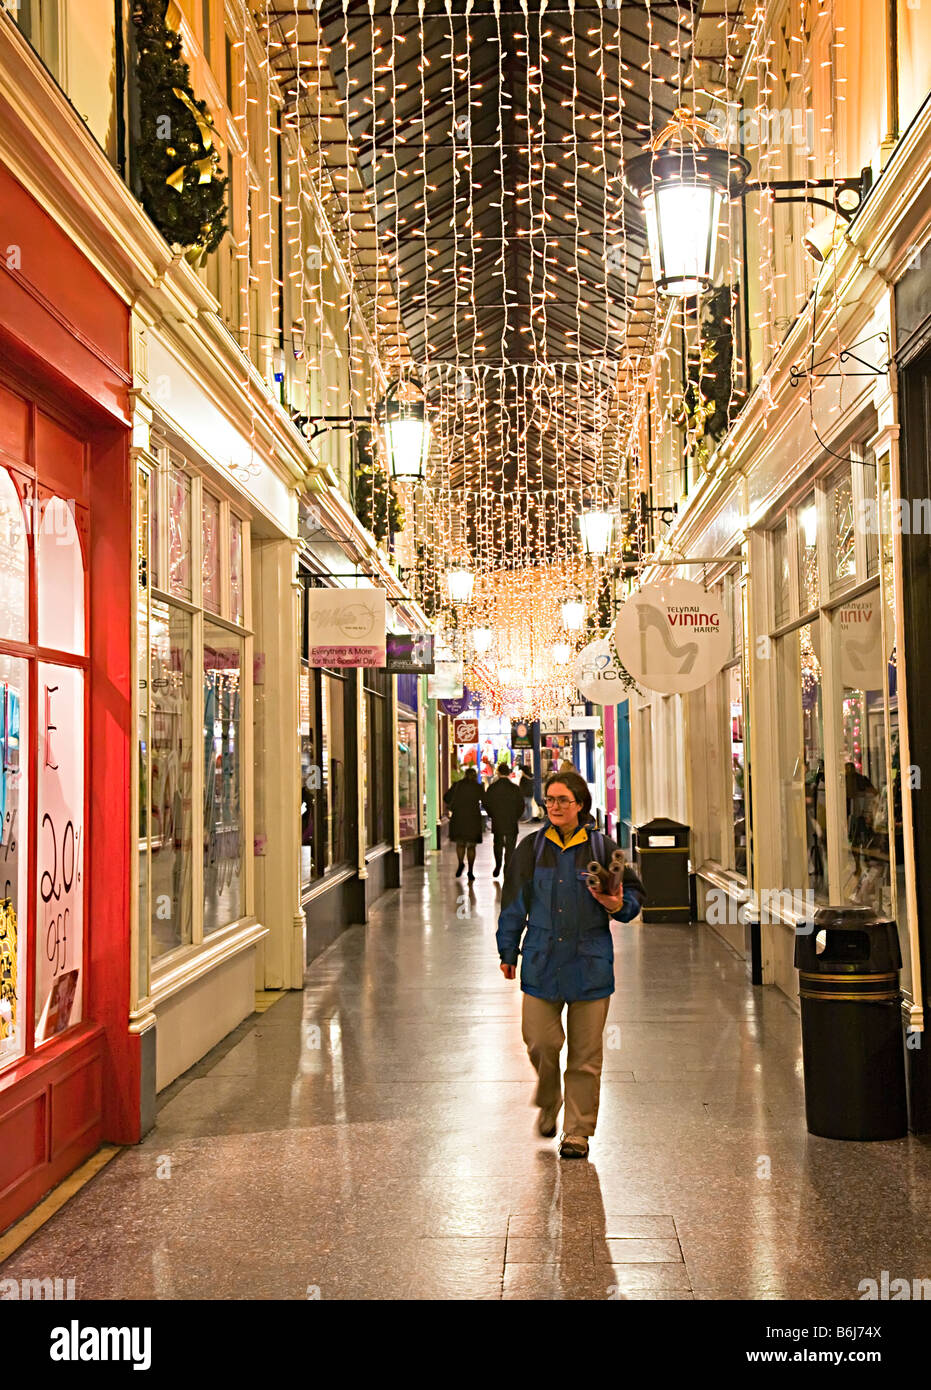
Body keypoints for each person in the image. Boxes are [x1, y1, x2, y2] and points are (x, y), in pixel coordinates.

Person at [496, 769, 644, 1159]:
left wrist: (617, 904)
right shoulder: (531, 849)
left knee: (585, 1055)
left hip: (590, 963)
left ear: (580, 804)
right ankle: (549, 1097)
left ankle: (577, 1131)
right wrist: (507, 951)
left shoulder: (603, 849)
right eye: (550, 799)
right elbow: (513, 903)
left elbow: (632, 900)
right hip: (542, 961)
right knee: (540, 1041)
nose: (555, 806)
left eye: (563, 800)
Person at [482, 762, 526, 879]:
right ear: (508, 773)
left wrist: (492, 815)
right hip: (511, 821)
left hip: (498, 820)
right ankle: (508, 867)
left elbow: (486, 803)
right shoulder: (515, 788)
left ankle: (498, 865)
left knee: (498, 844)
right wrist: (515, 816)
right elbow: (521, 805)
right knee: (511, 846)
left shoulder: (492, 788)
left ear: (498, 772)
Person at [443, 766, 484, 880]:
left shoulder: (457, 785)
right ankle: (470, 871)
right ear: (475, 776)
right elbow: (485, 800)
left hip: (459, 817)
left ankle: (460, 863)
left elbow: (446, 798)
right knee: (471, 846)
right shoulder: (478, 787)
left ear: (465, 775)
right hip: (473, 818)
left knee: (460, 844)